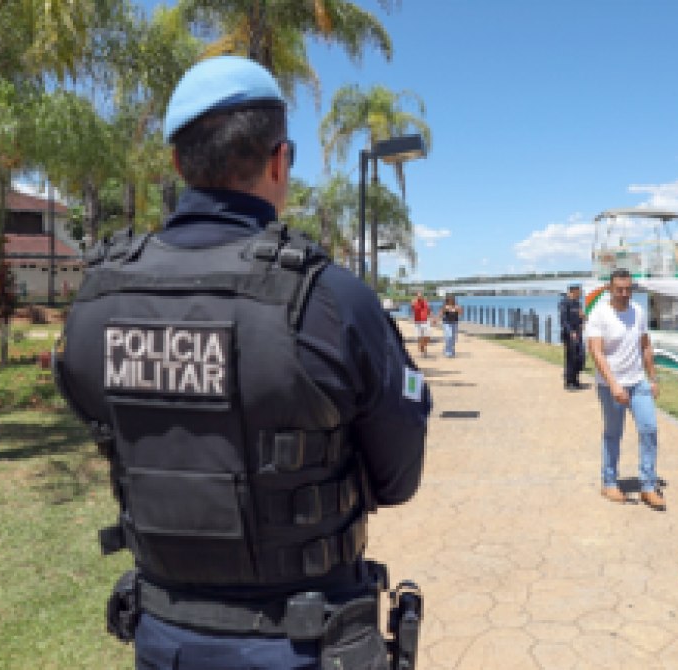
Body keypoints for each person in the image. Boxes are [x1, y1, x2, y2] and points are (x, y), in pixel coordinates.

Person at [54, 56, 430, 669]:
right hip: (304, 641)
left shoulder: (96, 302)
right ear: (280, 161)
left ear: (178, 163)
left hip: (165, 637)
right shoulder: (332, 300)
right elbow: (397, 477)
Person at [586, 269, 665, 509]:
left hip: (638, 382)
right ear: (609, 289)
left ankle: (648, 485)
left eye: (628, 289)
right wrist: (613, 385)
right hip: (611, 385)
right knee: (613, 433)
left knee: (649, 429)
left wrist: (652, 378)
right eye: (619, 289)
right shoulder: (599, 314)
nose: (624, 293)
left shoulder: (638, 311)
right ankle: (609, 482)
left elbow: (645, 346)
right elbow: (596, 352)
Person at [559, 284, 586, 390]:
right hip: (569, 334)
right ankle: (569, 382)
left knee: (580, 357)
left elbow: (580, 317)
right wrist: (571, 331)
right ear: (573, 291)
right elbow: (564, 320)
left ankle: (576, 380)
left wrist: (583, 319)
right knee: (571, 358)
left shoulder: (578, 303)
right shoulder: (564, 303)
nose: (580, 294)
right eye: (579, 291)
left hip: (578, 333)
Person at [411, 291, 432, 356]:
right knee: (420, 337)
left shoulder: (426, 303)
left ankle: (423, 346)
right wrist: (412, 304)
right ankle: (423, 349)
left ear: (422, 296)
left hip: (426, 321)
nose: (419, 297)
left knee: (427, 336)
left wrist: (432, 318)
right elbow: (412, 309)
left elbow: (429, 311)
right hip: (418, 322)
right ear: (416, 296)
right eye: (418, 296)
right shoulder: (414, 303)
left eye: (421, 296)